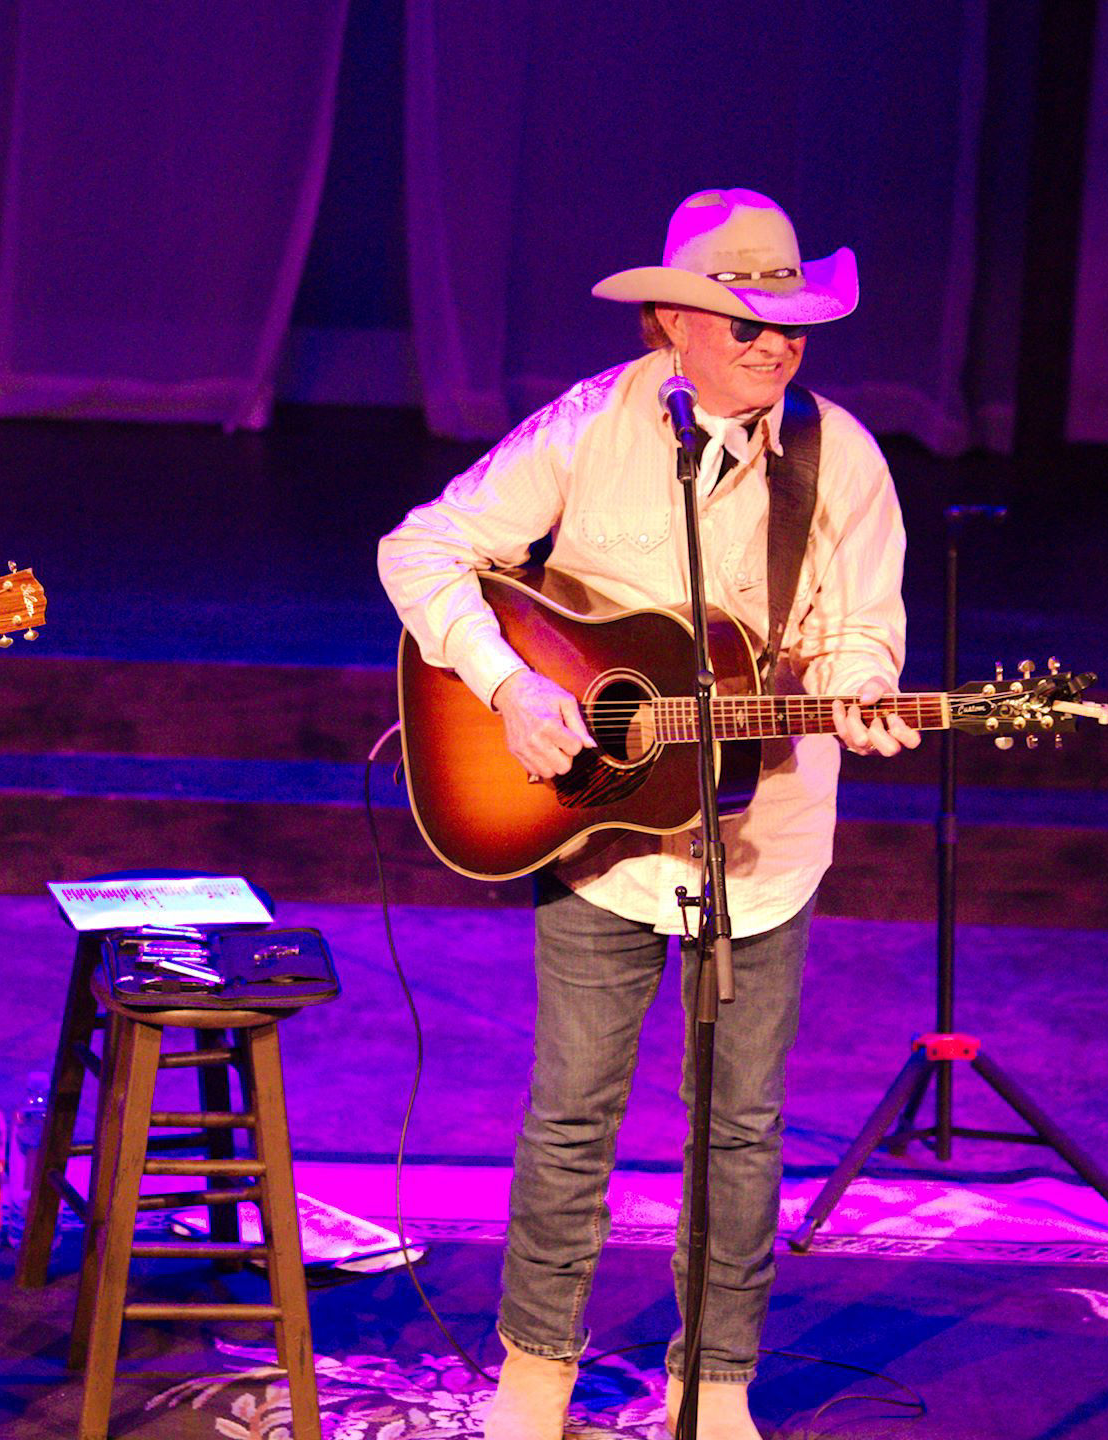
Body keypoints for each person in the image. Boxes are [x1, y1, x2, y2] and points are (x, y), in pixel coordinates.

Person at [378, 189, 919, 1440]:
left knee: (741, 1128)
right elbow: (422, 549)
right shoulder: (589, 426)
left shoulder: (844, 462)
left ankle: (714, 1379)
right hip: (597, 839)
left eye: (792, 320)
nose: (777, 343)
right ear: (676, 322)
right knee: (572, 1112)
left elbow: (862, 635)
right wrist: (509, 685)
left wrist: (868, 694)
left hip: (762, 842)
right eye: (747, 321)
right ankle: (536, 1373)